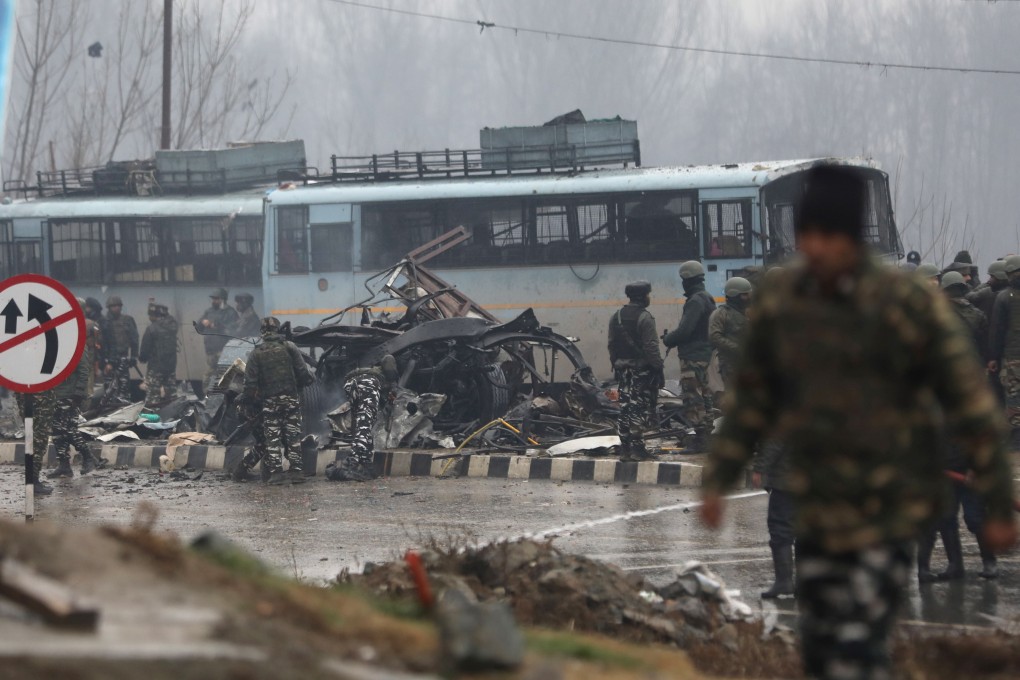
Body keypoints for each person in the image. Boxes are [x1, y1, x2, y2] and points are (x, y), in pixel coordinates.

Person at [700, 165, 1017, 680]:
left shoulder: (907, 302)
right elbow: (755, 396)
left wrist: (998, 497)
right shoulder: (786, 304)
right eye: (807, 235)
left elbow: (968, 401)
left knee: (870, 625)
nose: (814, 248)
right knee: (825, 629)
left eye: (825, 235)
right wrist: (719, 476)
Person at [917, 271, 997, 583]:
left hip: (967, 464)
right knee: (945, 518)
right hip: (942, 466)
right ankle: (954, 566)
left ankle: (989, 562)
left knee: (975, 517)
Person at [241, 316, 314, 485]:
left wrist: (247, 401)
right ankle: (296, 472)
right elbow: (303, 373)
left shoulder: (256, 353)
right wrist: (304, 383)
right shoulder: (289, 347)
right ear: (277, 330)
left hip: (270, 403)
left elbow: (250, 385)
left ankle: (277, 474)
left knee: (272, 439)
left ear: (262, 332)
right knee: (293, 436)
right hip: (291, 400)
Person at [608, 281, 664, 461]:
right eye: (648, 294)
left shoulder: (616, 316)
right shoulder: (645, 318)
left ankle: (625, 449)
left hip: (623, 370)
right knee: (638, 408)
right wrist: (658, 367)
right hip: (641, 371)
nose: (649, 297)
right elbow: (651, 347)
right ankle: (638, 449)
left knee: (625, 407)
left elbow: (611, 345)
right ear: (642, 297)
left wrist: (616, 364)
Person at [662, 260, 716, 447]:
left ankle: (700, 440)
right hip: (704, 355)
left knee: (693, 397)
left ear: (687, 280)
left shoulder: (695, 301)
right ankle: (707, 436)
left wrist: (668, 339)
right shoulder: (707, 297)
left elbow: (685, 331)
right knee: (704, 396)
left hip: (693, 356)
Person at [327, 355, 398, 482]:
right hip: (368, 383)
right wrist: (394, 388)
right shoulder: (385, 375)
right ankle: (353, 462)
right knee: (364, 424)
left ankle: (365, 462)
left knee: (360, 424)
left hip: (351, 384)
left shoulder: (374, 373)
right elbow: (388, 360)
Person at [46, 318, 98, 480]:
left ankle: (88, 458)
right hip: (56, 394)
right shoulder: (58, 346)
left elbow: (84, 371)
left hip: (70, 395)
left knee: (69, 430)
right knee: (57, 432)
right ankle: (64, 465)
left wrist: (78, 394)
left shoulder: (77, 346)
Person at [752, 440, 795, 598]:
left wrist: (759, 468)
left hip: (786, 479)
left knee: (780, 527)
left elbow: (774, 442)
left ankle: (784, 581)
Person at [989, 254, 1020, 442]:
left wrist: (993, 357)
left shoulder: (1003, 297)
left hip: (1012, 358)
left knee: (1014, 397)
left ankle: (1017, 438)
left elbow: (997, 331)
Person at [708, 277, 752, 399]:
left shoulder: (748, 313)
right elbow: (715, 337)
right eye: (744, 295)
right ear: (734, 295)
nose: (748, 297)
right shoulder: (721, 313)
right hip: (731, 366)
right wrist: (738, 348)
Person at [138, 302, 179, 408]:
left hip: (155, 368)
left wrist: (142, 359)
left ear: (154, 315)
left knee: (153, 397)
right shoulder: (173, 326)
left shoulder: (152, 328)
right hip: (170, 367)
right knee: (171, 395)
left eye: (150, 315)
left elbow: (144, 350)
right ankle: (173, 414)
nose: (149, 318)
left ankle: (153, 415)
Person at [198, 288, 239, 385]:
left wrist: (216, 326)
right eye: (213, 299)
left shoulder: (230, 312)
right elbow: (199, 328)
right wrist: (202, 323)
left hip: (223, 350)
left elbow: (233, 331)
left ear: (223, 299)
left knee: (224, 375)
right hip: (211, 350)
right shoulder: (209, 311)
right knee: (209, 376)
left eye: (216, 299)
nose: (214, 301)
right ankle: (208, 393)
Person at [103, 295, 139, 403]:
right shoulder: (104, 322)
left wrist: (133, 356)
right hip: (108, 360)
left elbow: (134, 339)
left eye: (118, 305)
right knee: (109, 388)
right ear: (109, 307)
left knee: (124, 386)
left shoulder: (128, 320)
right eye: (113, 306)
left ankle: (124, 404)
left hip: (123, 358)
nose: (116, 308)